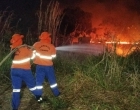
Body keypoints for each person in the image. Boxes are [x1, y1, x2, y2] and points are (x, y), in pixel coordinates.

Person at [10, 34, 40, 110]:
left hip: (14, 71)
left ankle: (14, 107)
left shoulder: (13, 49)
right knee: (32, 86)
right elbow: (33, 57)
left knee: (16, 89)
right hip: (25, 71)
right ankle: (38, 97)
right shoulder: (25, 49)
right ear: (20, 40)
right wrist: (34, 51)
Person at [33, 32, 60, 102]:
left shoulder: (36, 44)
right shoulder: (51, 46)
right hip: (49, 67)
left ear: (41, 37)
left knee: (38, 82)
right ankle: (56, 93)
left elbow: (32, 55)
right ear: (48, 38)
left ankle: (38, 97)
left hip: (39, 66)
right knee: (52, 80)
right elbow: (53, 57)